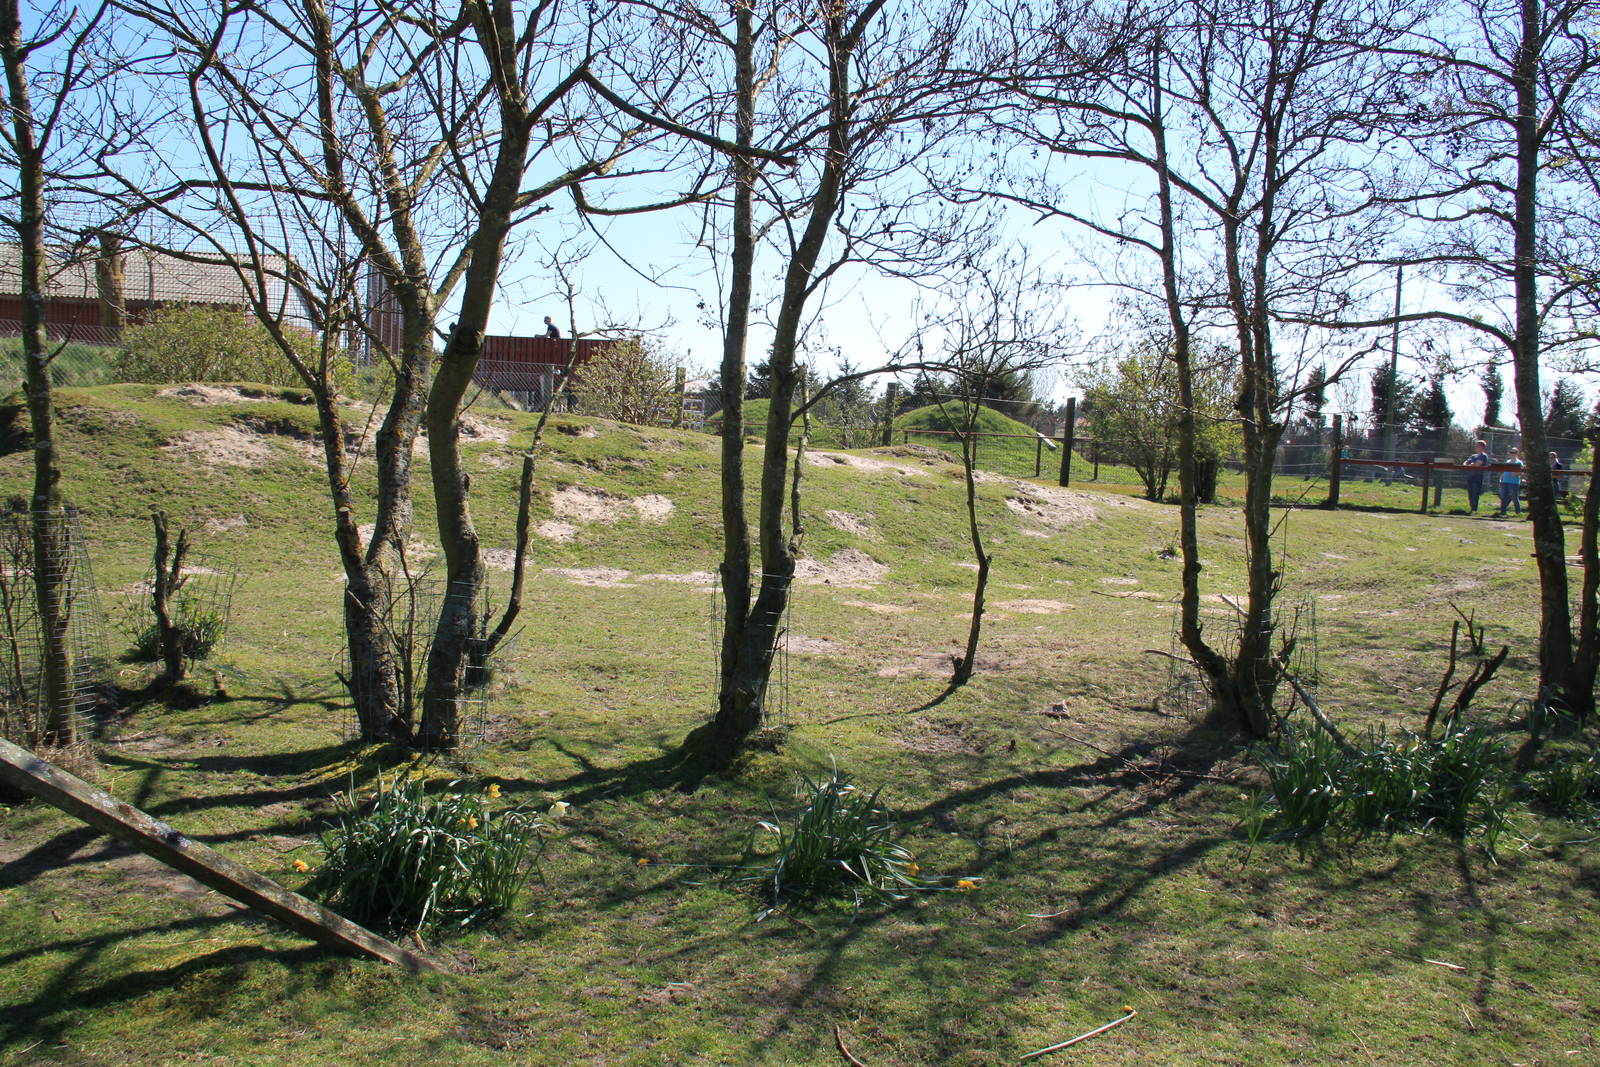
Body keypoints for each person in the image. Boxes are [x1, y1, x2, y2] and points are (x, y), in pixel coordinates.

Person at [1462, 440, 1489, 513]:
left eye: (1477, 446)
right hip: (1470, 476)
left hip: (1477, 476)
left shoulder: (1483, 456)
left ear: (1482, 447)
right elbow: (1465, 463)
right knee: (1470, 493)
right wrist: (1469, 464)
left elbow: (1477, 464)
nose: (1476, 447)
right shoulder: (1473, 456)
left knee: (1475, 492)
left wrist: (1470, 464)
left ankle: (1474, 509)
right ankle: (1471, 508)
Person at [1495, 447, 1523, 516]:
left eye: (1513, 452)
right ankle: (1503, 512)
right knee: (1503, 497)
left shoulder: (1519, 462)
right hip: (1505, 482)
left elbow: (1521, 472)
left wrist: (1515, 473)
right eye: (1511, 452)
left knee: (1514, 497)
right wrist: (1501, 478)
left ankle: (1518, 512)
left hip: (1514, 483)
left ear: (1517, 454)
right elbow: (1504, 471)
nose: (1512, 454)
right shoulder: (1507, 462)